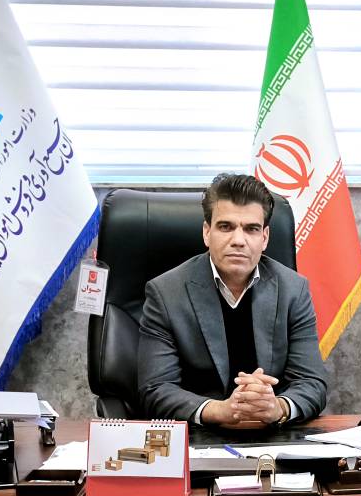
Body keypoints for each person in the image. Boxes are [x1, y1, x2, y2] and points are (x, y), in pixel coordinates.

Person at [138, 173, 328, 426]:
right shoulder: (165, 293)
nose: (238, 241)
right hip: (200, 436)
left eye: (251, 229)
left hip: (272, 434)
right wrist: (221, 410)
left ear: (265, 238)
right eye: (226, 227)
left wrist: (278, 407)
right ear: (207, 233)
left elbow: (312, 382)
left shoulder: (294, 289)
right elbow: (156, 389)